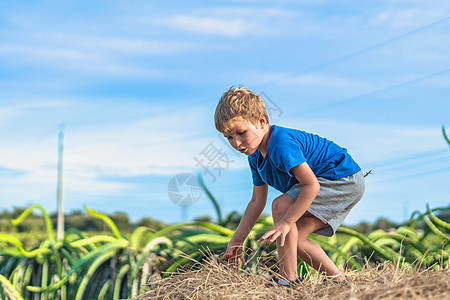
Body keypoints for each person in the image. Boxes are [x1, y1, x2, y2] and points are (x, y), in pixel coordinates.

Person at [215, 87, 365, 286]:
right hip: (339, 181)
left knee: (281, 206)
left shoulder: (280, 144)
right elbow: (256, 202)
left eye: (241, 133)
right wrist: (236, 241)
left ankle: (288, 280)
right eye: (229, 138)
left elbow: (311, 185)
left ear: (261, 122)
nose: (236, 143)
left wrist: (285, 222)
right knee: (296, 240)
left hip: (341, 178)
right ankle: (341, 284)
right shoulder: (255, 157)